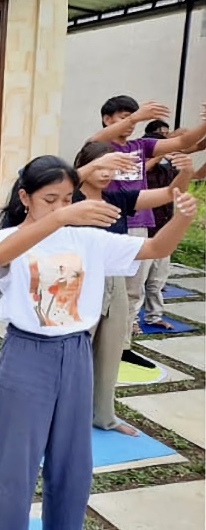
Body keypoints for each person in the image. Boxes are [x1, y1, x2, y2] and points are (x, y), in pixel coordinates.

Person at [0, 155, 196, 530]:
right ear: (25, 197)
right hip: (27, 355)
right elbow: (0, 255)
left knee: (73, 465)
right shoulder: (8, 238)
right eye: (50, 199)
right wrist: (60, 218)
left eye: (67, 199)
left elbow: (155, 249)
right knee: (15, 470)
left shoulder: (88, 239)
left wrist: (182, 217)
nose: (61, 207)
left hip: (77, 353)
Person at [73, 143, 193, 435]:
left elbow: (167, 194)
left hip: (112, 281)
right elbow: (56, 181)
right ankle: (64, 415)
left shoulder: (118, 197)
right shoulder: (66, 197)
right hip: (75, 282)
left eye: (110, 168)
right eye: (99, 166)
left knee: (110, 351)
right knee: (73, 354)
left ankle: (103, 415)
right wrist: (93, 165)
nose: (105, 174)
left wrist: (186, 173)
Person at [85, 97, 206, 359]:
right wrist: (138, 117)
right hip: (107, 224)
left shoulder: (142, 145)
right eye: (122, 117)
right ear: (107, 118)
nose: (129, 124)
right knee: (99, 290)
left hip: (139, 222)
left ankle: (122, 345)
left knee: (131, 291)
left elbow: (182, 143)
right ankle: (91, 344)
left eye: (132, 117)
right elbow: (94, 140)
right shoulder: (99, 148)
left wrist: (204, 125)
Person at [144, 120, 195, 329]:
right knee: (136, 284)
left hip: (163, 230)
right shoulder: (140, 171)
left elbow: (177, 191)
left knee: (157, 281)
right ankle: (130, 324)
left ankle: (154, 316)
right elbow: (143, 170)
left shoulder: (167, 171)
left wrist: (186, 171)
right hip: (143, 231)